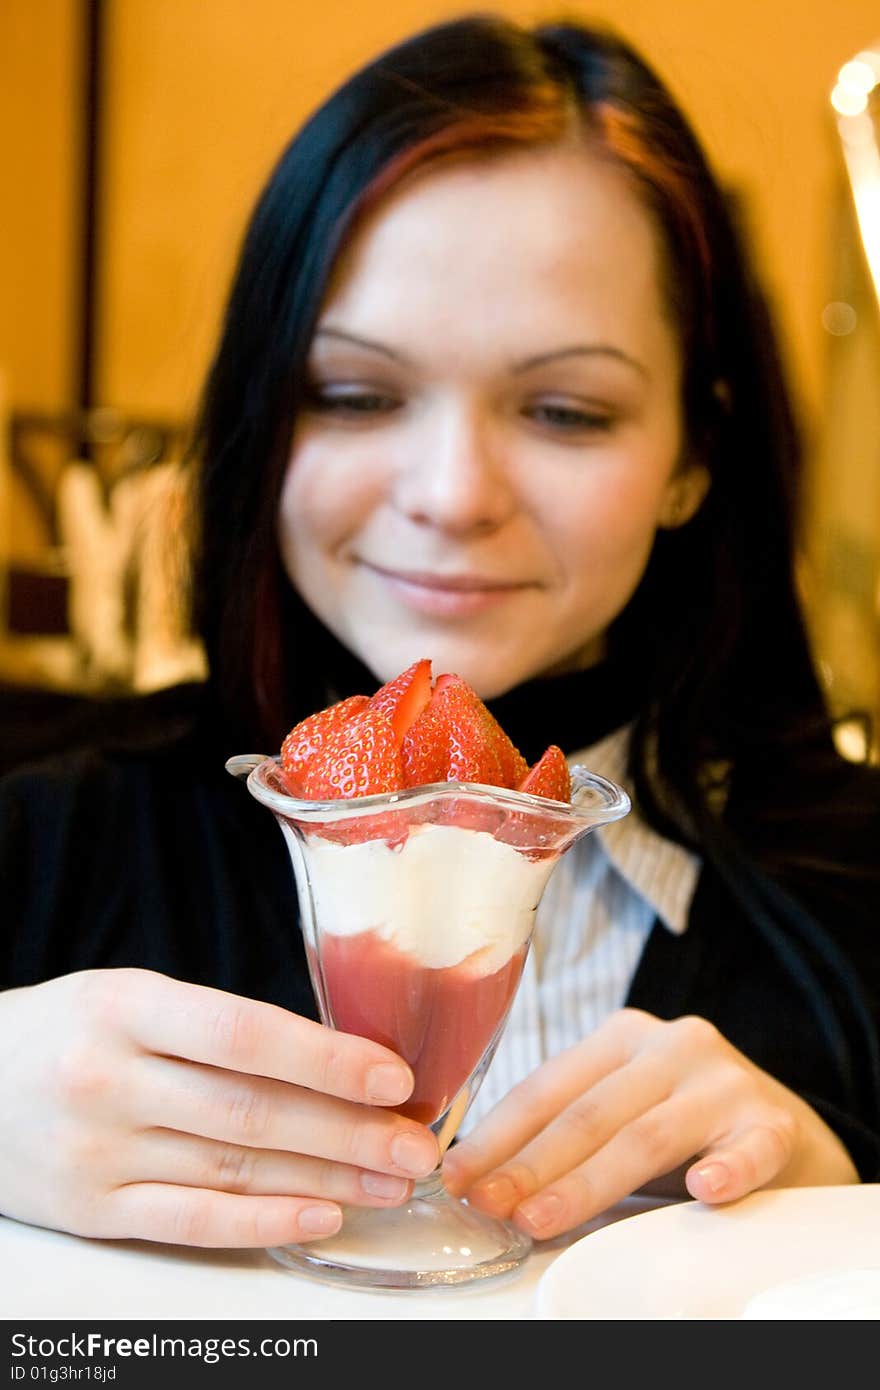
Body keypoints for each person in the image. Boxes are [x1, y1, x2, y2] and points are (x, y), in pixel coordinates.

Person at [2, 13, 879, 1252]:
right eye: (357, 394)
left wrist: (846, 1214)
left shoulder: (856, 898)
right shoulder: (51, 849)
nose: (453, 491)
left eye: (566, 410)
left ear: (695, 459)